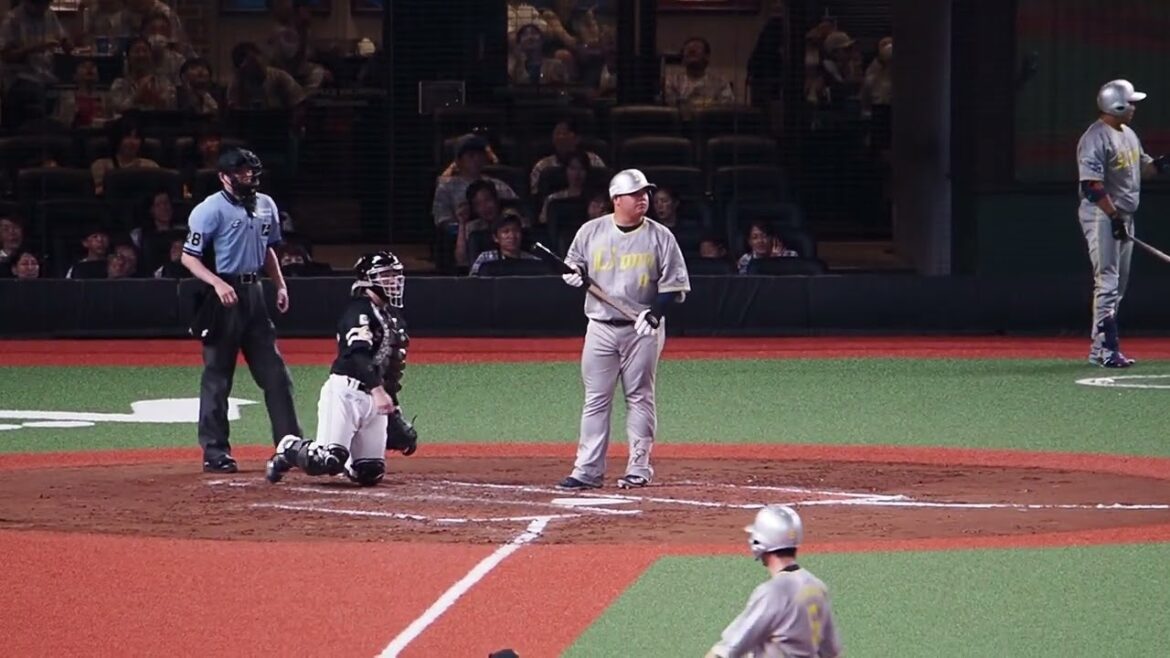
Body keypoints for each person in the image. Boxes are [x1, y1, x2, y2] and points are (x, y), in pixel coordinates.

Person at [556, 169, 690, 490]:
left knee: (640, 396)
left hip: (642, 330)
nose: (643, 198)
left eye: (645, 193)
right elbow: (574, 264)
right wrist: (572, 273)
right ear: (617, 199)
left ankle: (639, 467)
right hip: (600, 326)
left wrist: (654, 315)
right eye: (636, 194)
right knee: (595, 399)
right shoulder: (591, 231)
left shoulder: (661, 237)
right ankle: (587, 470)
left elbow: (674, 285)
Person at [180, 147, 302, 473]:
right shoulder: (209, 209)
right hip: (224, 295)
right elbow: (188, 257)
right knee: (218, 377)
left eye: (250, 170)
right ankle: (215, 451)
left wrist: (280, 285)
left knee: (276, 375)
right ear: (224, 176)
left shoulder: (266, 204)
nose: (247, 176)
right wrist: (217, 284)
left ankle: (290, 444)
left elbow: (268, 249)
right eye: (240, 172)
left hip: (255, 293)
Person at [264, 251, 418, 487]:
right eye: (386, 275)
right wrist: (378, 391)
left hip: (374, 399)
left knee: (369, 473)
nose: (394, 281)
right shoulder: (358, 312)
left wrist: (394, 408)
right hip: (347, 393)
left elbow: (391, 366)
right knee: (327, 460)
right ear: (368, 280)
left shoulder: (391, 317)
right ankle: (289, 448)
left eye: (395, 275)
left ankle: (350, 457)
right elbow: (357, 355)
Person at [1077, 79, 1170, 368]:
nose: (1133, 108)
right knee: (1107, 280)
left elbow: (1144, 168)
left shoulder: (1128, 134)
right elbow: (1091, 185)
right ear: (1115, 104)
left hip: (1123, 216)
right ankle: (1107, 350)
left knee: (1119, 284)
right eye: (1130, 103)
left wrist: (1162, 164)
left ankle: (1100, 348)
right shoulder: (1094, 137)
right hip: (1102, 214)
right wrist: (1113, 216)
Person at [705, 505, 844, 658]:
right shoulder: (817, 587)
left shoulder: (773, 593)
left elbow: (728, 649)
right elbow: (831, 652)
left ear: (762, 541)